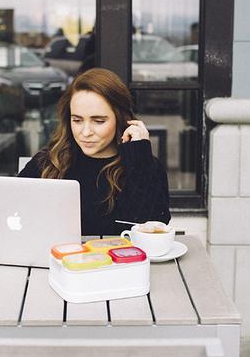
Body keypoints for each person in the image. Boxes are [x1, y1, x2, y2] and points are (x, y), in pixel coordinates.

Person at [18, 67, 170, 236]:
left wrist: (139, 158)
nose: (85, 132)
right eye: (77, 120)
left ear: (121, 118)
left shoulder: (144, 165)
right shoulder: (49, 161)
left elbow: (148, 230)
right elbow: (12, 212)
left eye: (98, 121)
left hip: (120, 261)